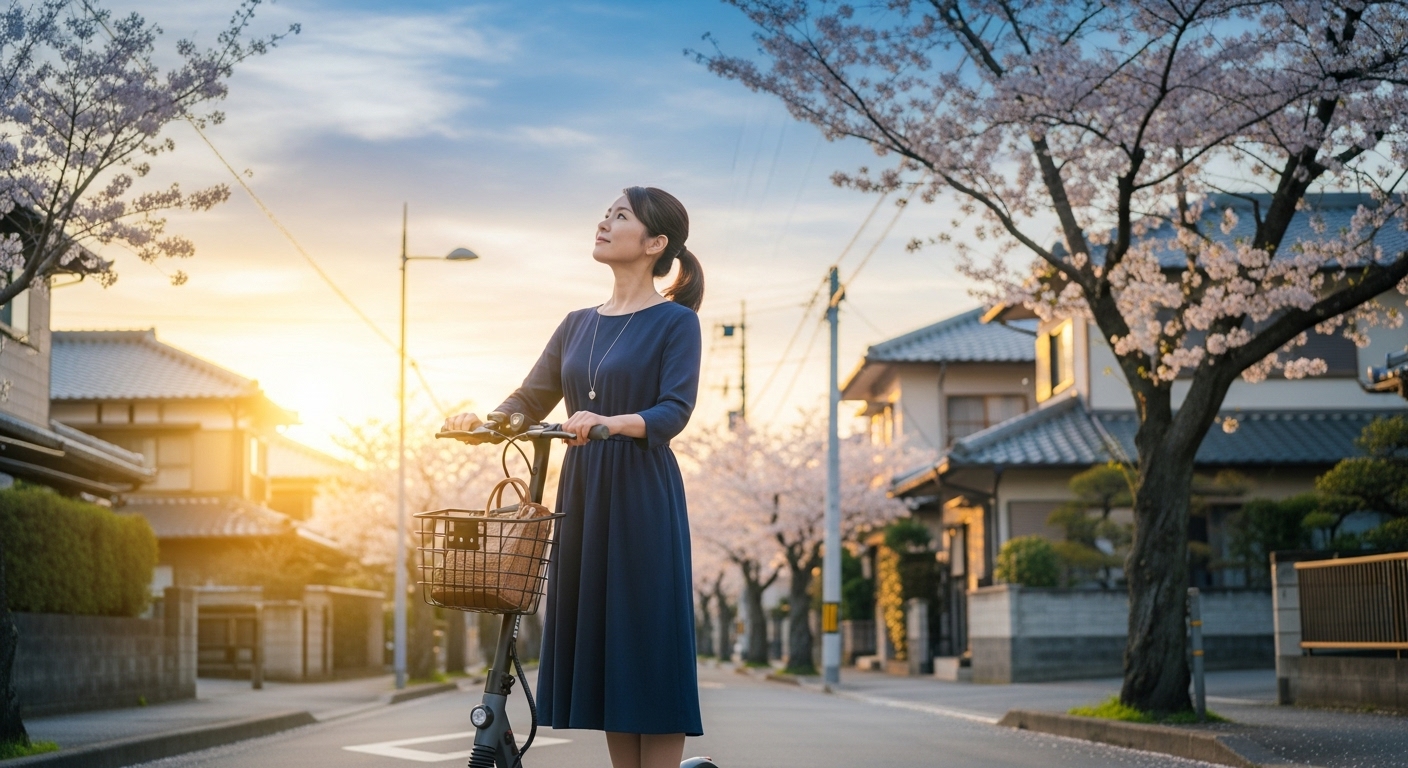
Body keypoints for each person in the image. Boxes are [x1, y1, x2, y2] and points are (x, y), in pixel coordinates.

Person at [442, 186, 705, 768]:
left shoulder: (675, 323)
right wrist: (482, 423)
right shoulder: (576, 323)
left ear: (655, 243)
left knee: (646, 639)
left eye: (621, 217)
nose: (604, 223)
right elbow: (529, 398)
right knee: (609, 646)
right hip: (583, 492)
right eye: (606, 214)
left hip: (641, 494)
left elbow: (674, 410)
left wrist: (615, 422)